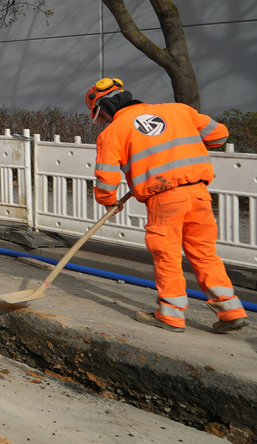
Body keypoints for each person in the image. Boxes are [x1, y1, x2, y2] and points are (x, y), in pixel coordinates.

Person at [87, 78, 247, 333]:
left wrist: (108, 202)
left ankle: (170, 315)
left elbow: (106, 177)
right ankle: (231, 310)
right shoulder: (178, 111)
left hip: (164, 200)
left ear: (102, 109)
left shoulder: (112, 132)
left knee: (167, 256)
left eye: (102, 116)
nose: (104, 121)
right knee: (204, 254)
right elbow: (220, 135)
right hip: (199, 194)